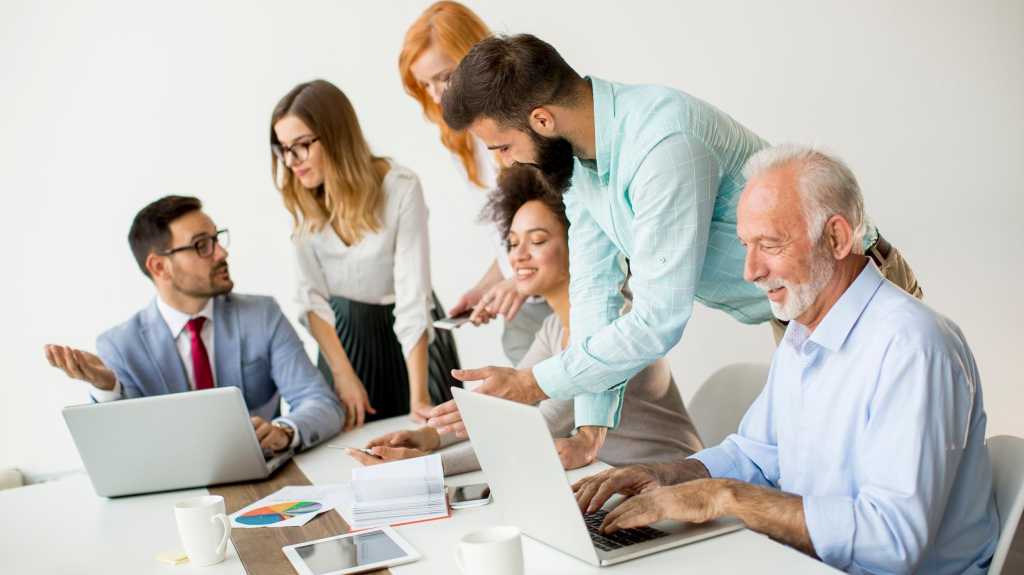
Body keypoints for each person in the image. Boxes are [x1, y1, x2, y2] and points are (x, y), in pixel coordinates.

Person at [427, 34, 923, 439]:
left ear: (542, 120)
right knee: (821, 463)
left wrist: (533, 383)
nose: (507, 162)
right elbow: (594, 293)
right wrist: (591, 426)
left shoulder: (663, 141)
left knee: (873, 471)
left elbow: (658, 317)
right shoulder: (576, 163)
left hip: (850, 288)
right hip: (793, 311)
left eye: (504, 146)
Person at [572, 146, 998, 574]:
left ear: (836, 238)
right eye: (746, 245)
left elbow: (891, 541)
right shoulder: (804, 328)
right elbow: (757, 455)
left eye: (770, 244)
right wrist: (669, 475)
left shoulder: (914, 347)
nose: (750, 271)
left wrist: (725, 497)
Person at [347, 166, 703, 474]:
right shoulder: (552, 328)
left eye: (537, 240)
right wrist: (429, 436)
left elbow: (539, 426)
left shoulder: (615, 326)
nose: (519, 256)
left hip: (675, 483)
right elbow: (503, 405)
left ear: (580, 245)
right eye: (513, 243)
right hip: (614, 482)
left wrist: (423, 467)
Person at [44, 196, 343, 452]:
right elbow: (126, 445)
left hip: (268, 480)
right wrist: (108, 388)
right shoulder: (120, 346)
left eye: (216, 239)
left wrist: (285, 431)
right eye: (202, 245)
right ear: (159, 266)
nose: (221, 253)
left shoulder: (262, 315)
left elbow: (322, 404)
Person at [270, 79, 460, 431]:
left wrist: (418, 395)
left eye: (301, 146)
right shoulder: (301, 198)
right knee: (348, 444)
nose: (291, 161)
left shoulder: (400, 187)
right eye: (283, 149)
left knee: (431, 439)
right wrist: (343, 376)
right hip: (343, 337)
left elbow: (412, 295)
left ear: (336, 136)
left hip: (414, 335)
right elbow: (310, 299)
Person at [399, 1, 551, 363]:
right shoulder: (461, 142)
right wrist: (487, 288)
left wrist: (520, 281)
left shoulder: (530, 125)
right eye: (426, 85)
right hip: (527, 307)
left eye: (445, 77)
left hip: (569, 298)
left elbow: (571, 227)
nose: (436, 96)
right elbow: (512, 239)